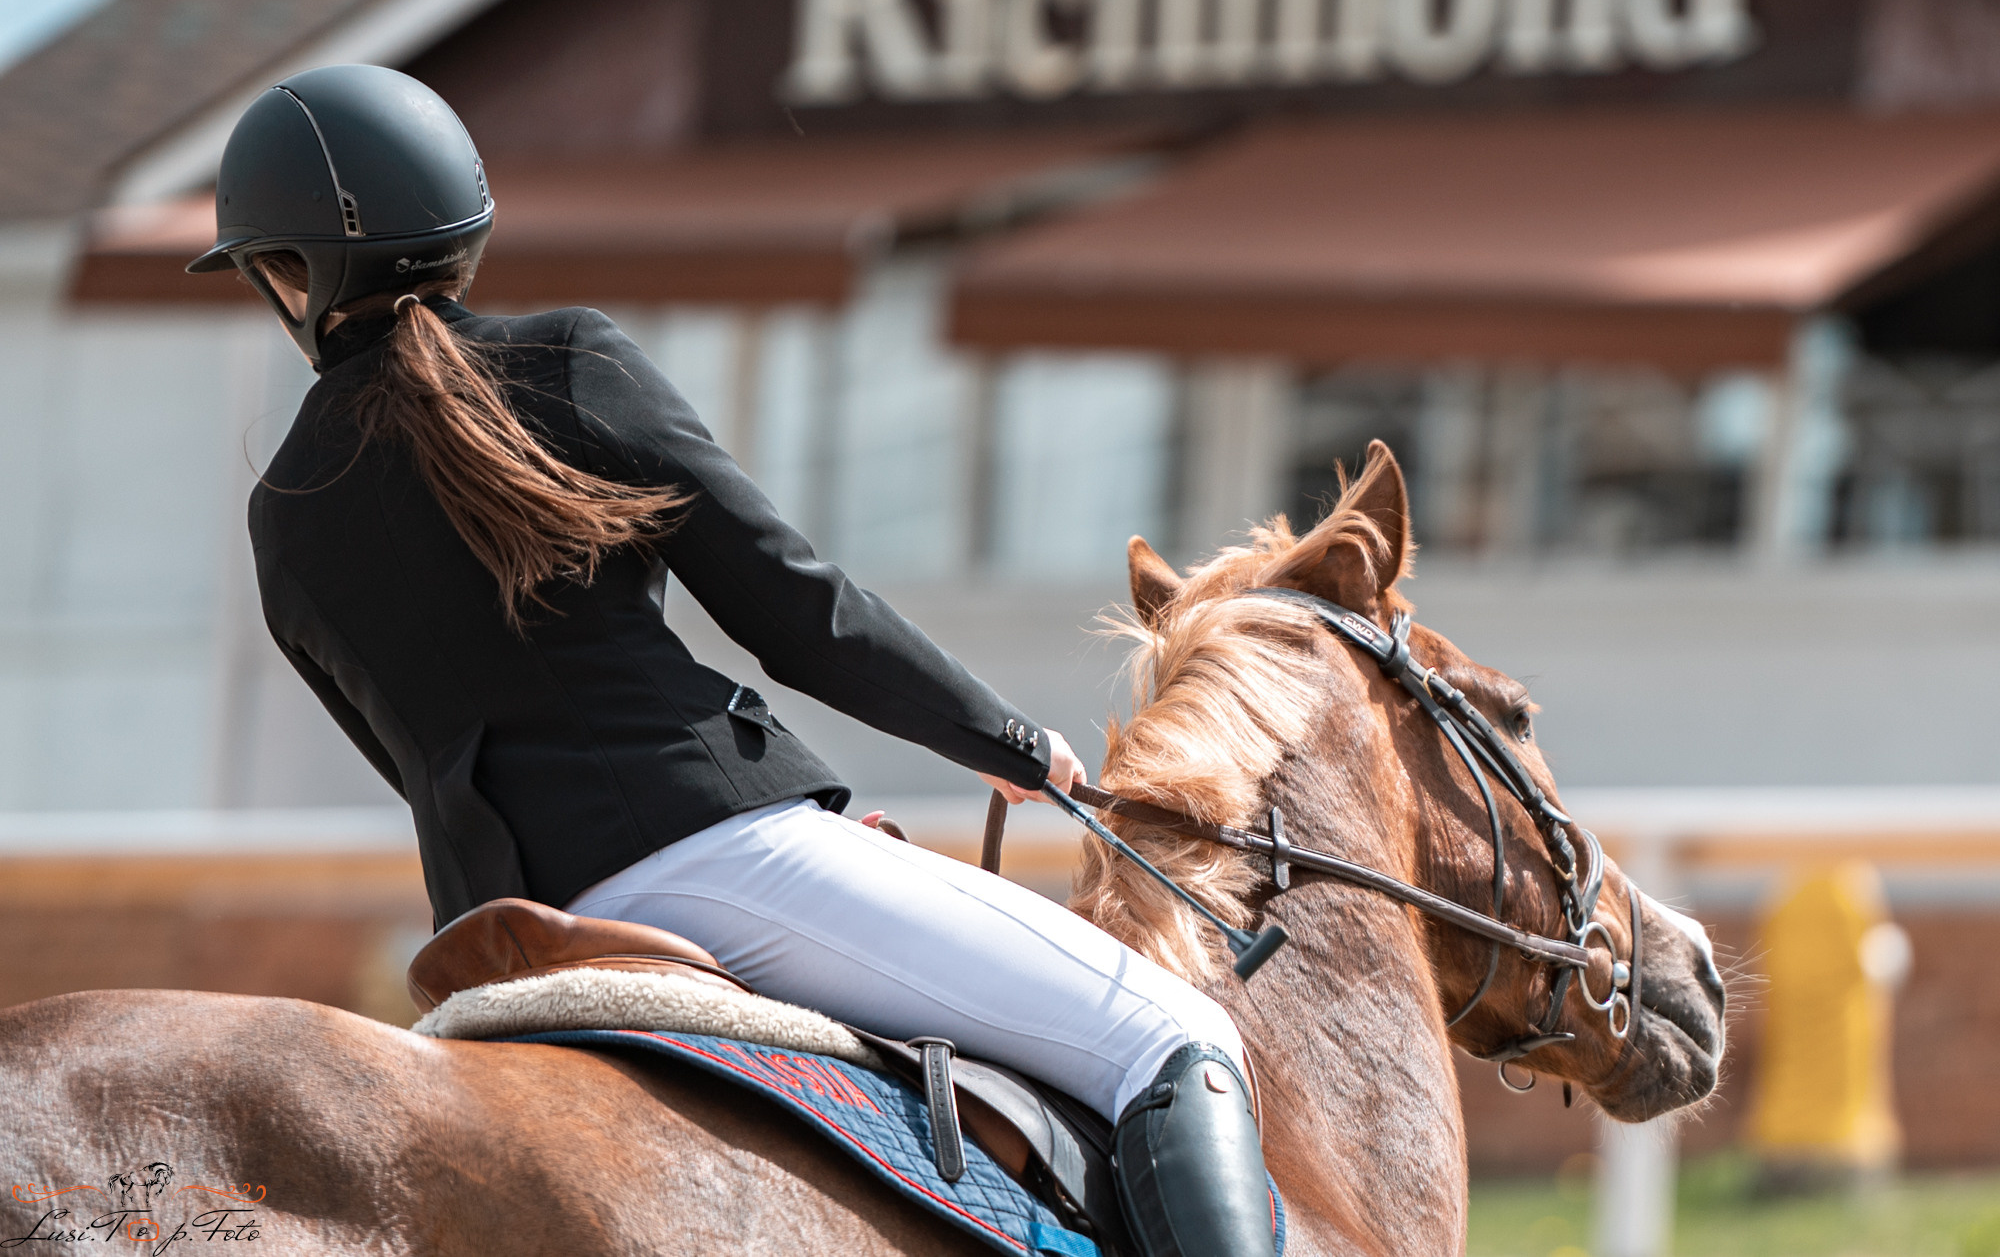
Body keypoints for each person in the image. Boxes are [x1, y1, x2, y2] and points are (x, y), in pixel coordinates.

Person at [190, 63, 1274, 1257]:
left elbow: (411, 763)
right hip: (722, 852)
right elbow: (797, 611)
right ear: (466, 232)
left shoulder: (282, 512)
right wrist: (1010, 746)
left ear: (282, 276)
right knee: (1171, 1039)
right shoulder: (562, 363)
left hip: (503, 932)